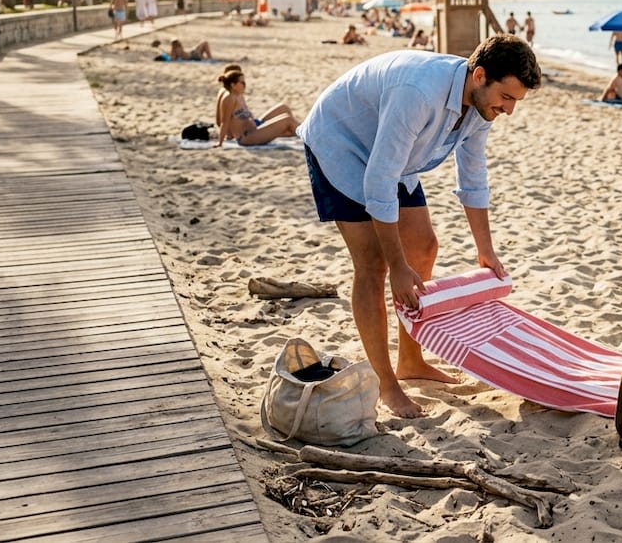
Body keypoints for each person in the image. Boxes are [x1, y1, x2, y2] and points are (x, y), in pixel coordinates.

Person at [297, 35, 541, 418]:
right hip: (340, 143)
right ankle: (387, 385)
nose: (509, 110)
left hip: (393, 154)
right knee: (374, 264)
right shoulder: (418, 93)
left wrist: (486, 250)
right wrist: (397, 266)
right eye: (506, 98)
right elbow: (379, 182)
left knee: (424, 247)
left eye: (515, 102)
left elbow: (473, 175)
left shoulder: (480, 106)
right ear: (479, 75)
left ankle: (410, 360)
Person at [214, 65, 299, 147]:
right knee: (288, 120)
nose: (244, 85)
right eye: (242, 82)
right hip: (247, 136)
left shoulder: (238, 95)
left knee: (284, 111)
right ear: (233, 85)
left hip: (254, 127)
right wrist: (220, 143)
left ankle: (304, 135)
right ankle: (307, 137)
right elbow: (224, 122)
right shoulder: (229, 98)